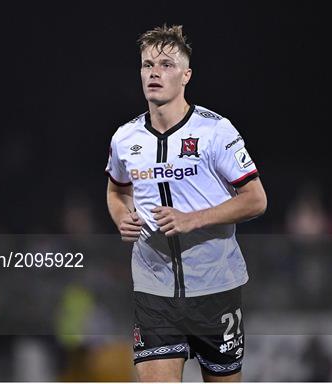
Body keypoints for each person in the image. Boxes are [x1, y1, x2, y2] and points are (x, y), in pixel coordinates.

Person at [105, 25, 267, 382]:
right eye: (147, 65)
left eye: (165, 65)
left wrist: (194, 219)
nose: (154, 73)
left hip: (216, 289)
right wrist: (121, 217)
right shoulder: (125, 137)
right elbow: (117, 191)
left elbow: (256, 199)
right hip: (154, 291)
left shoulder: (216, 131)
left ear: (186, 75)